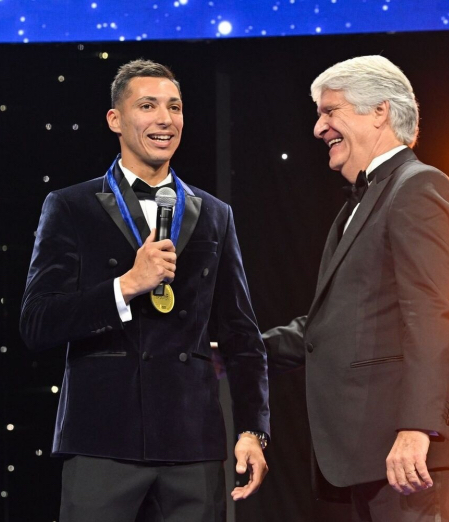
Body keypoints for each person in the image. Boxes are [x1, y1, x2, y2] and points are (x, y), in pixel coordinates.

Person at [20, 59, 270, 522]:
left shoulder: (215, 214)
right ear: (115, 119)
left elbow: (242, 335)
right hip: (101, 441)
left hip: (192, 444)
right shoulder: (71, 206)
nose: (165, 119)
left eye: (174, 107)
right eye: (148, 106)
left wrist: (253, 430)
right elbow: (38, 321)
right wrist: (126, 286)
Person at [263, 55, 449, 521]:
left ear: (380, 111)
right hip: (374, 455)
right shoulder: (362, 204)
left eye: (331, 111)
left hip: (414, 455)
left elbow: (433, 316)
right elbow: (332, 326)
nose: (318, 128)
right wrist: (245, 351)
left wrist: (418, 428)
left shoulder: (419, 188)